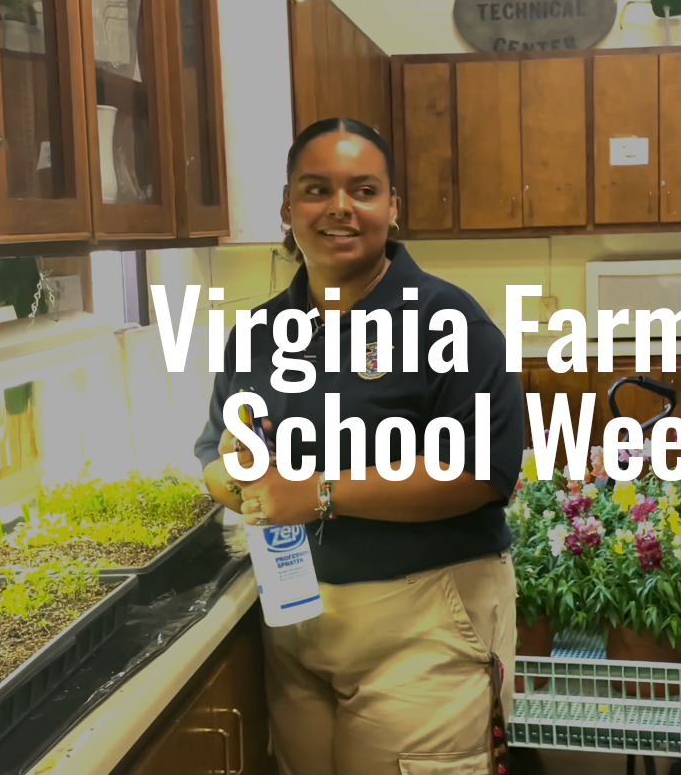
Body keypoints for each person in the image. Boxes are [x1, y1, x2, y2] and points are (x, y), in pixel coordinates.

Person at [193, 117, 527, 775]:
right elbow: (215, 451)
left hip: (423, 621)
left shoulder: (449, 321)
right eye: (317, 190)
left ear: (392, 206)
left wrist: (317, 493)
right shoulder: (259, 334)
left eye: (364, 190)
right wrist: (246, 486)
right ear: (288, 209)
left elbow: (485, 470)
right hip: (294, 621)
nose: (340, 208)